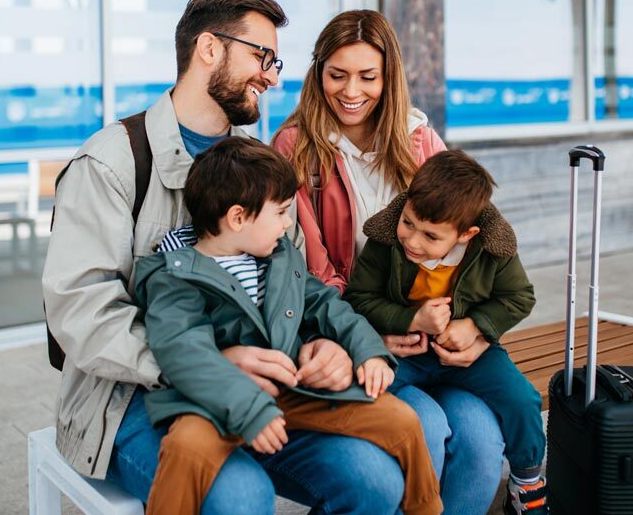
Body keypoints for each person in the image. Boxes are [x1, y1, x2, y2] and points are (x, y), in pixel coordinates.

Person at [43, 0, 412, 514]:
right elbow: (80, 313)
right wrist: (208, 365)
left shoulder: (257, 167)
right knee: (241, 495)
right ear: (210, 49)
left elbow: (294, 283)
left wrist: (322, 343)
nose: (274, 76)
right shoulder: (110, 163)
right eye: (262, 57)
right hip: (135, 396)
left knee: (374, 479)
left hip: (263, 387)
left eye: (275, 61)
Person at [271, 9, 507, 512]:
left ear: (389, 76)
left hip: (431, 341)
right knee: (426, 427)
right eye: (336, 75)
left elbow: (480, 247)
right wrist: (370, 333)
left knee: (482, 442)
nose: (350, 90)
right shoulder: (296, 148)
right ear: (317, 74)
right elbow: (311, 272)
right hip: (352, 335)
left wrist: (478, 327)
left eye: (367, 76)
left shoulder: (420, 140)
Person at [135, 137, 441, 515]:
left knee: (402, 419)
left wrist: (368, 351)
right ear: (237, 218)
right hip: (216, 403)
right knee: (185, 449)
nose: (288, 222)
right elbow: (183, 350)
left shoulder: (279, 258)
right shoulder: (175, 275)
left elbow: (327, 306)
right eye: (280, 212)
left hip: (294, 390)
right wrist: (248, 408)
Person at [344, 150, 546, 515]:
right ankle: (361, 484)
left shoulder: (492, 249)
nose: (413, 241)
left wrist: (476, 327)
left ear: (466, 234)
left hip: (468, 355)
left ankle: (527, 480)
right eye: (408, 223)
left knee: (522, 399)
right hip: (407, 352)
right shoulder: (386, 240)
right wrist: (411, 320)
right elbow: (359, 298)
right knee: (359, 385)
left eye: (430, 236)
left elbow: (519, 297)